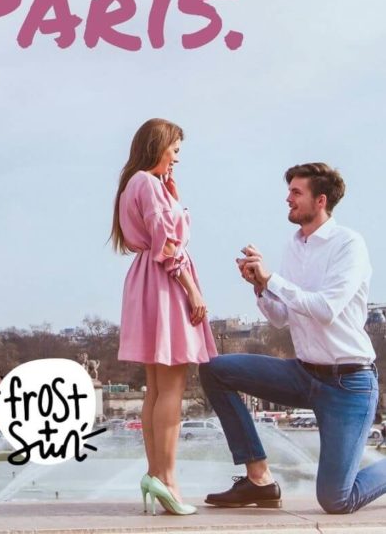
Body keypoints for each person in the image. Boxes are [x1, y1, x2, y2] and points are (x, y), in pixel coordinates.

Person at [200, 162, 385, 514]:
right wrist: (260, 287)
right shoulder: (295, 245)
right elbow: (283, 316)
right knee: (214, 369)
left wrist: (272, 280)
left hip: (349, 385)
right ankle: (259, 479)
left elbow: (326, 308)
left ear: (321, 200)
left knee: (336, 500)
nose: (288, 199)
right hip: (303, 374)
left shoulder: (349, 245)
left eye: (296, 192)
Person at [112, 118, 217, 516]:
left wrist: (172, 192)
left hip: (145, 282)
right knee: (172, 387)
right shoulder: (149, 184)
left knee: (156, 388)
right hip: (167, 282)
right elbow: (168, 246)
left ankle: (155, 474)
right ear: (158, 146)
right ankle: (169, 481)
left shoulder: (134, 183)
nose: (177, 158)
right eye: (174, 149)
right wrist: (193, 290)